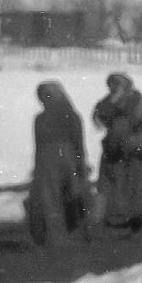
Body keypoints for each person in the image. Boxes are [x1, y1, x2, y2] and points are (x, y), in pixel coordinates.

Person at [92, 72, 142, 234]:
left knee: (133, 184)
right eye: (112, 85)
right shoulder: (108, 100)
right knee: (112, 184)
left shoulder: (136, 100)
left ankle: (135, 216)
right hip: (114, 149)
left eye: (118, 84)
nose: (114, 88)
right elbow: (98, 119)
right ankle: (116, 217)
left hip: (133, 150)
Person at [26, 81, 92, 246]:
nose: (45, 99)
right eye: (43, 96)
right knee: (50, 199)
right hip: (49, 163)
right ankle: (57, 236)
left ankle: (72, 236)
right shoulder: (40, 119)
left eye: (48, 95)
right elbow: (38, 145)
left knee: (70, 197)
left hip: (65, 161)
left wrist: (80, 164)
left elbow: (78, 142)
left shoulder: (70, 116)